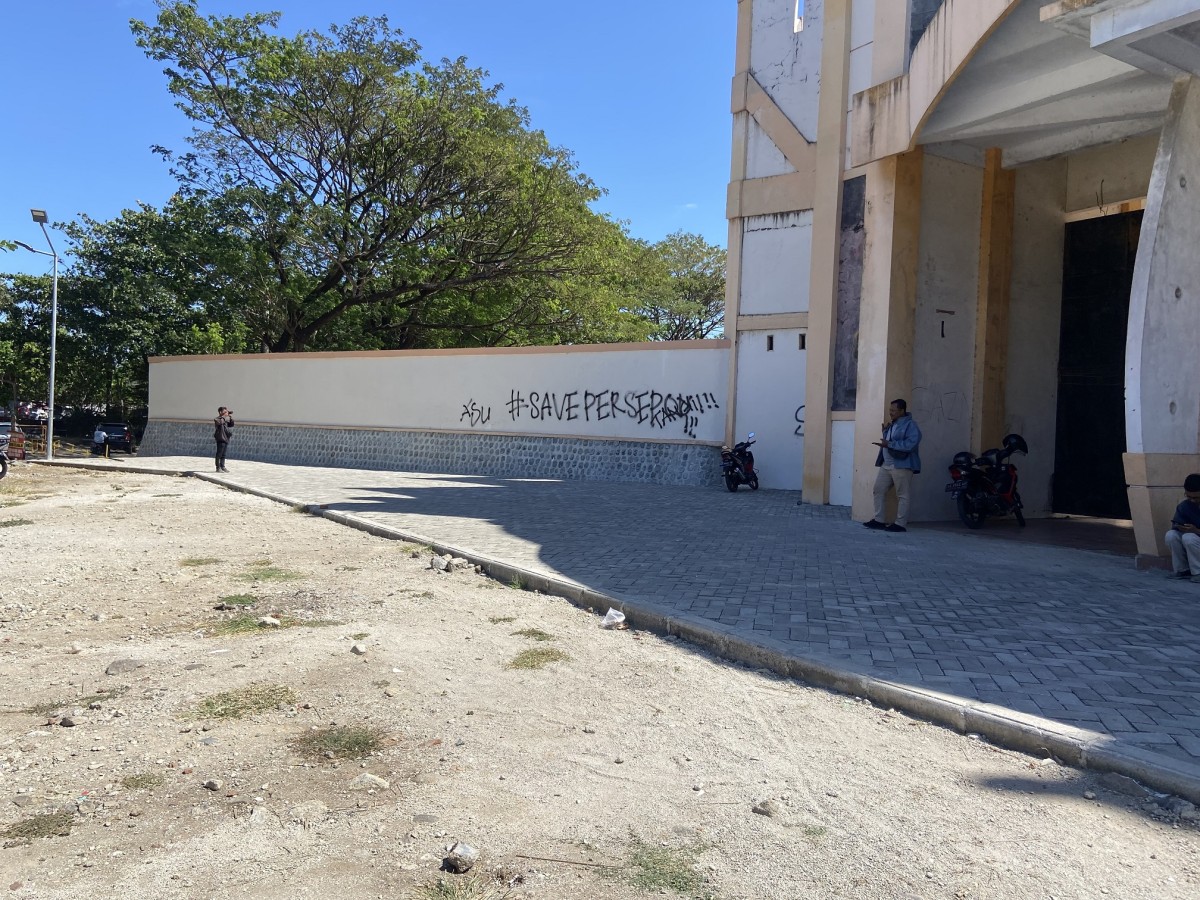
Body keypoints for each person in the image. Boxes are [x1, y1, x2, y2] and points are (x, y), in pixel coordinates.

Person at [864, 398, 922, 533]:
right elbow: (889, 441)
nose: (890, 413)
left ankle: (900, 524)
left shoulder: (910, 425)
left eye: (893, 410)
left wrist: (889, 444)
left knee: (902, 494)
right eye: (890, 410)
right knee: (878, 490)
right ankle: (879, 520)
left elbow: (911, 444)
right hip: (886, 464)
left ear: (902, 411)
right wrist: (885, 433)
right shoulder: (892, 424)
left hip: (901, 465)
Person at [1165, 473, 1200, 581]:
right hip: (1193, 543)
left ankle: (1198, 572)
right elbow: (1176, 524)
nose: (1192, 500)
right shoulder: (1184, 506)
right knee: (1171, 535)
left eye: (1196, 497)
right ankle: (1182, 570)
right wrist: (1180, 527)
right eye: (1189, 497)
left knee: (1189, 537)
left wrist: (1196, 531)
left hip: (1194, 539)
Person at [213, 406, 235, 473]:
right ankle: (218, 467)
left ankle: (222, 466)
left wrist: (230, 416)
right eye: (224, 411)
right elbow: (220, 422)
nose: (226, 412)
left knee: (223, 454)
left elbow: (231, 424)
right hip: (220, 438)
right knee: (219, 454)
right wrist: (224, 416)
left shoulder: (225, 419)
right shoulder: (217, 419)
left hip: (226, 438)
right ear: (220, 412)